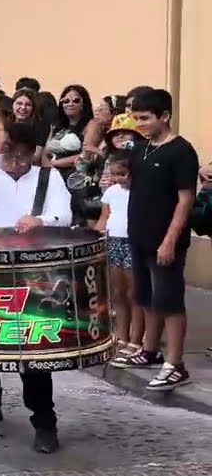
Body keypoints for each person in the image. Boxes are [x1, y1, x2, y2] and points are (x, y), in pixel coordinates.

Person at [0, 121, 71, 453]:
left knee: (31, 349)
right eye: (10, 151)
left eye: (22, 152)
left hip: (30, 273)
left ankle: (44, 421)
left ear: (32, 151)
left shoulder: (48, 177)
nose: (16, 159)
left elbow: (63, 215)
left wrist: (41, 220)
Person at [112, 89, 199, 390]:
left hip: (165, 240)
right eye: (136, 118)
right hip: (138, 235)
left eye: (146, 118)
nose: (140, 124)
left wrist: (170, 240)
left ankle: (176, 364)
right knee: (145, 297)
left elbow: (185, 199)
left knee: (169, 301)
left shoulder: (181, 151)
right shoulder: (141, 149)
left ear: (165, 116)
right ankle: (149, 350)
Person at [96, 153, 139, 358]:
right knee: (118, 292)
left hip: (133, 242)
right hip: (114, 242)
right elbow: (105, 217)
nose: (118, 178)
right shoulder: (111, 192)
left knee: (134, 292)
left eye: (122, 174)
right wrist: (95, 238)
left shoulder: (140, 191)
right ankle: (121, 333)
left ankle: (136, 335)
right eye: (115, 174)